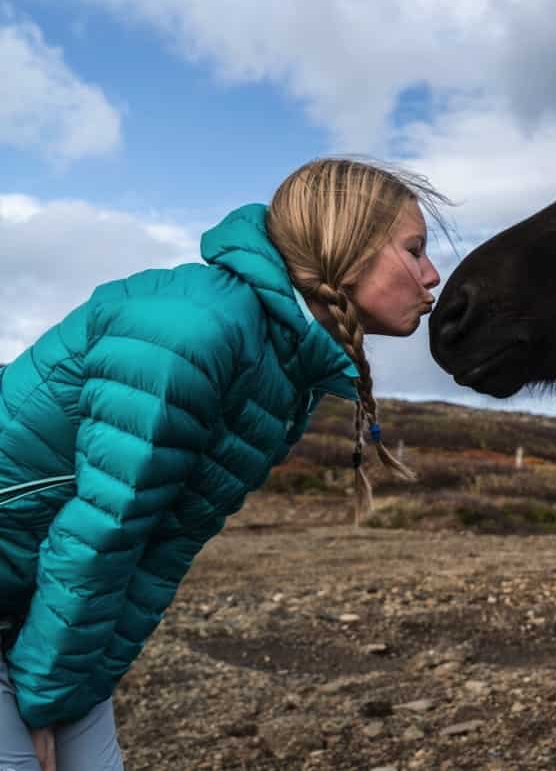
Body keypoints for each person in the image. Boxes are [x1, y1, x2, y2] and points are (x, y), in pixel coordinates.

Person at [0, 158, 446, 770]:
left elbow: (162, 549)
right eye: (415, 249)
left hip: (37, 593)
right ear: (347, 245)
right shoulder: (196, 331)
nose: (432, 275)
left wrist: (68, 689)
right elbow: (102, 534)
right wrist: (44, 706)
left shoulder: (287, 366)